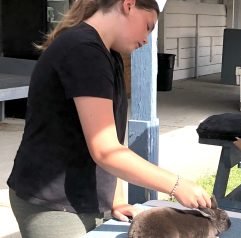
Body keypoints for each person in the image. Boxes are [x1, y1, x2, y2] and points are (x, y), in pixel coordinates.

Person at [7, 0, 211, 237]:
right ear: (128, 5)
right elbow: (105, 151)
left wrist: (116, 197)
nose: (147, 39)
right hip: (52, 203)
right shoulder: (83, 50)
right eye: (148, 26)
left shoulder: (109, 54)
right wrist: (176, 185)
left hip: (87, 196)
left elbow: (109, 139)